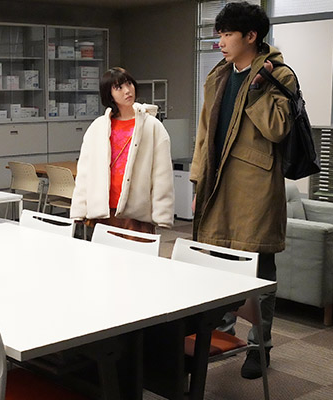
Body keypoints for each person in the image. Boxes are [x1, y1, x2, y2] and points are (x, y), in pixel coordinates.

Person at [190, 2, 296, 379]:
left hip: (255, 188)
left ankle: (259, 346)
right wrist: (198, 181)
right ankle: (223, 331)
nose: (220, 42)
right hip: (217, 184)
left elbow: (278, 128)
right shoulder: (219, 74)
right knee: (218, 264)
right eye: (219, 34)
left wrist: (257, 89)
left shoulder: (279, 75)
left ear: (251, 36)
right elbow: (205, 134)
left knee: (260, 271)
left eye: (227, 34)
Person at [70, 67, 174, 235]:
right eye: (119, 87)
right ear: (109, 94)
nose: (127, 91)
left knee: (138, 251)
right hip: (104, 210)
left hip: (137, 213)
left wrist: (162, 214)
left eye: (129, 84)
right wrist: (79, 209)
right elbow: (85, 173)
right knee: (104, 252)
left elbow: (162, 174)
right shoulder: (98, 127)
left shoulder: (152, 126)